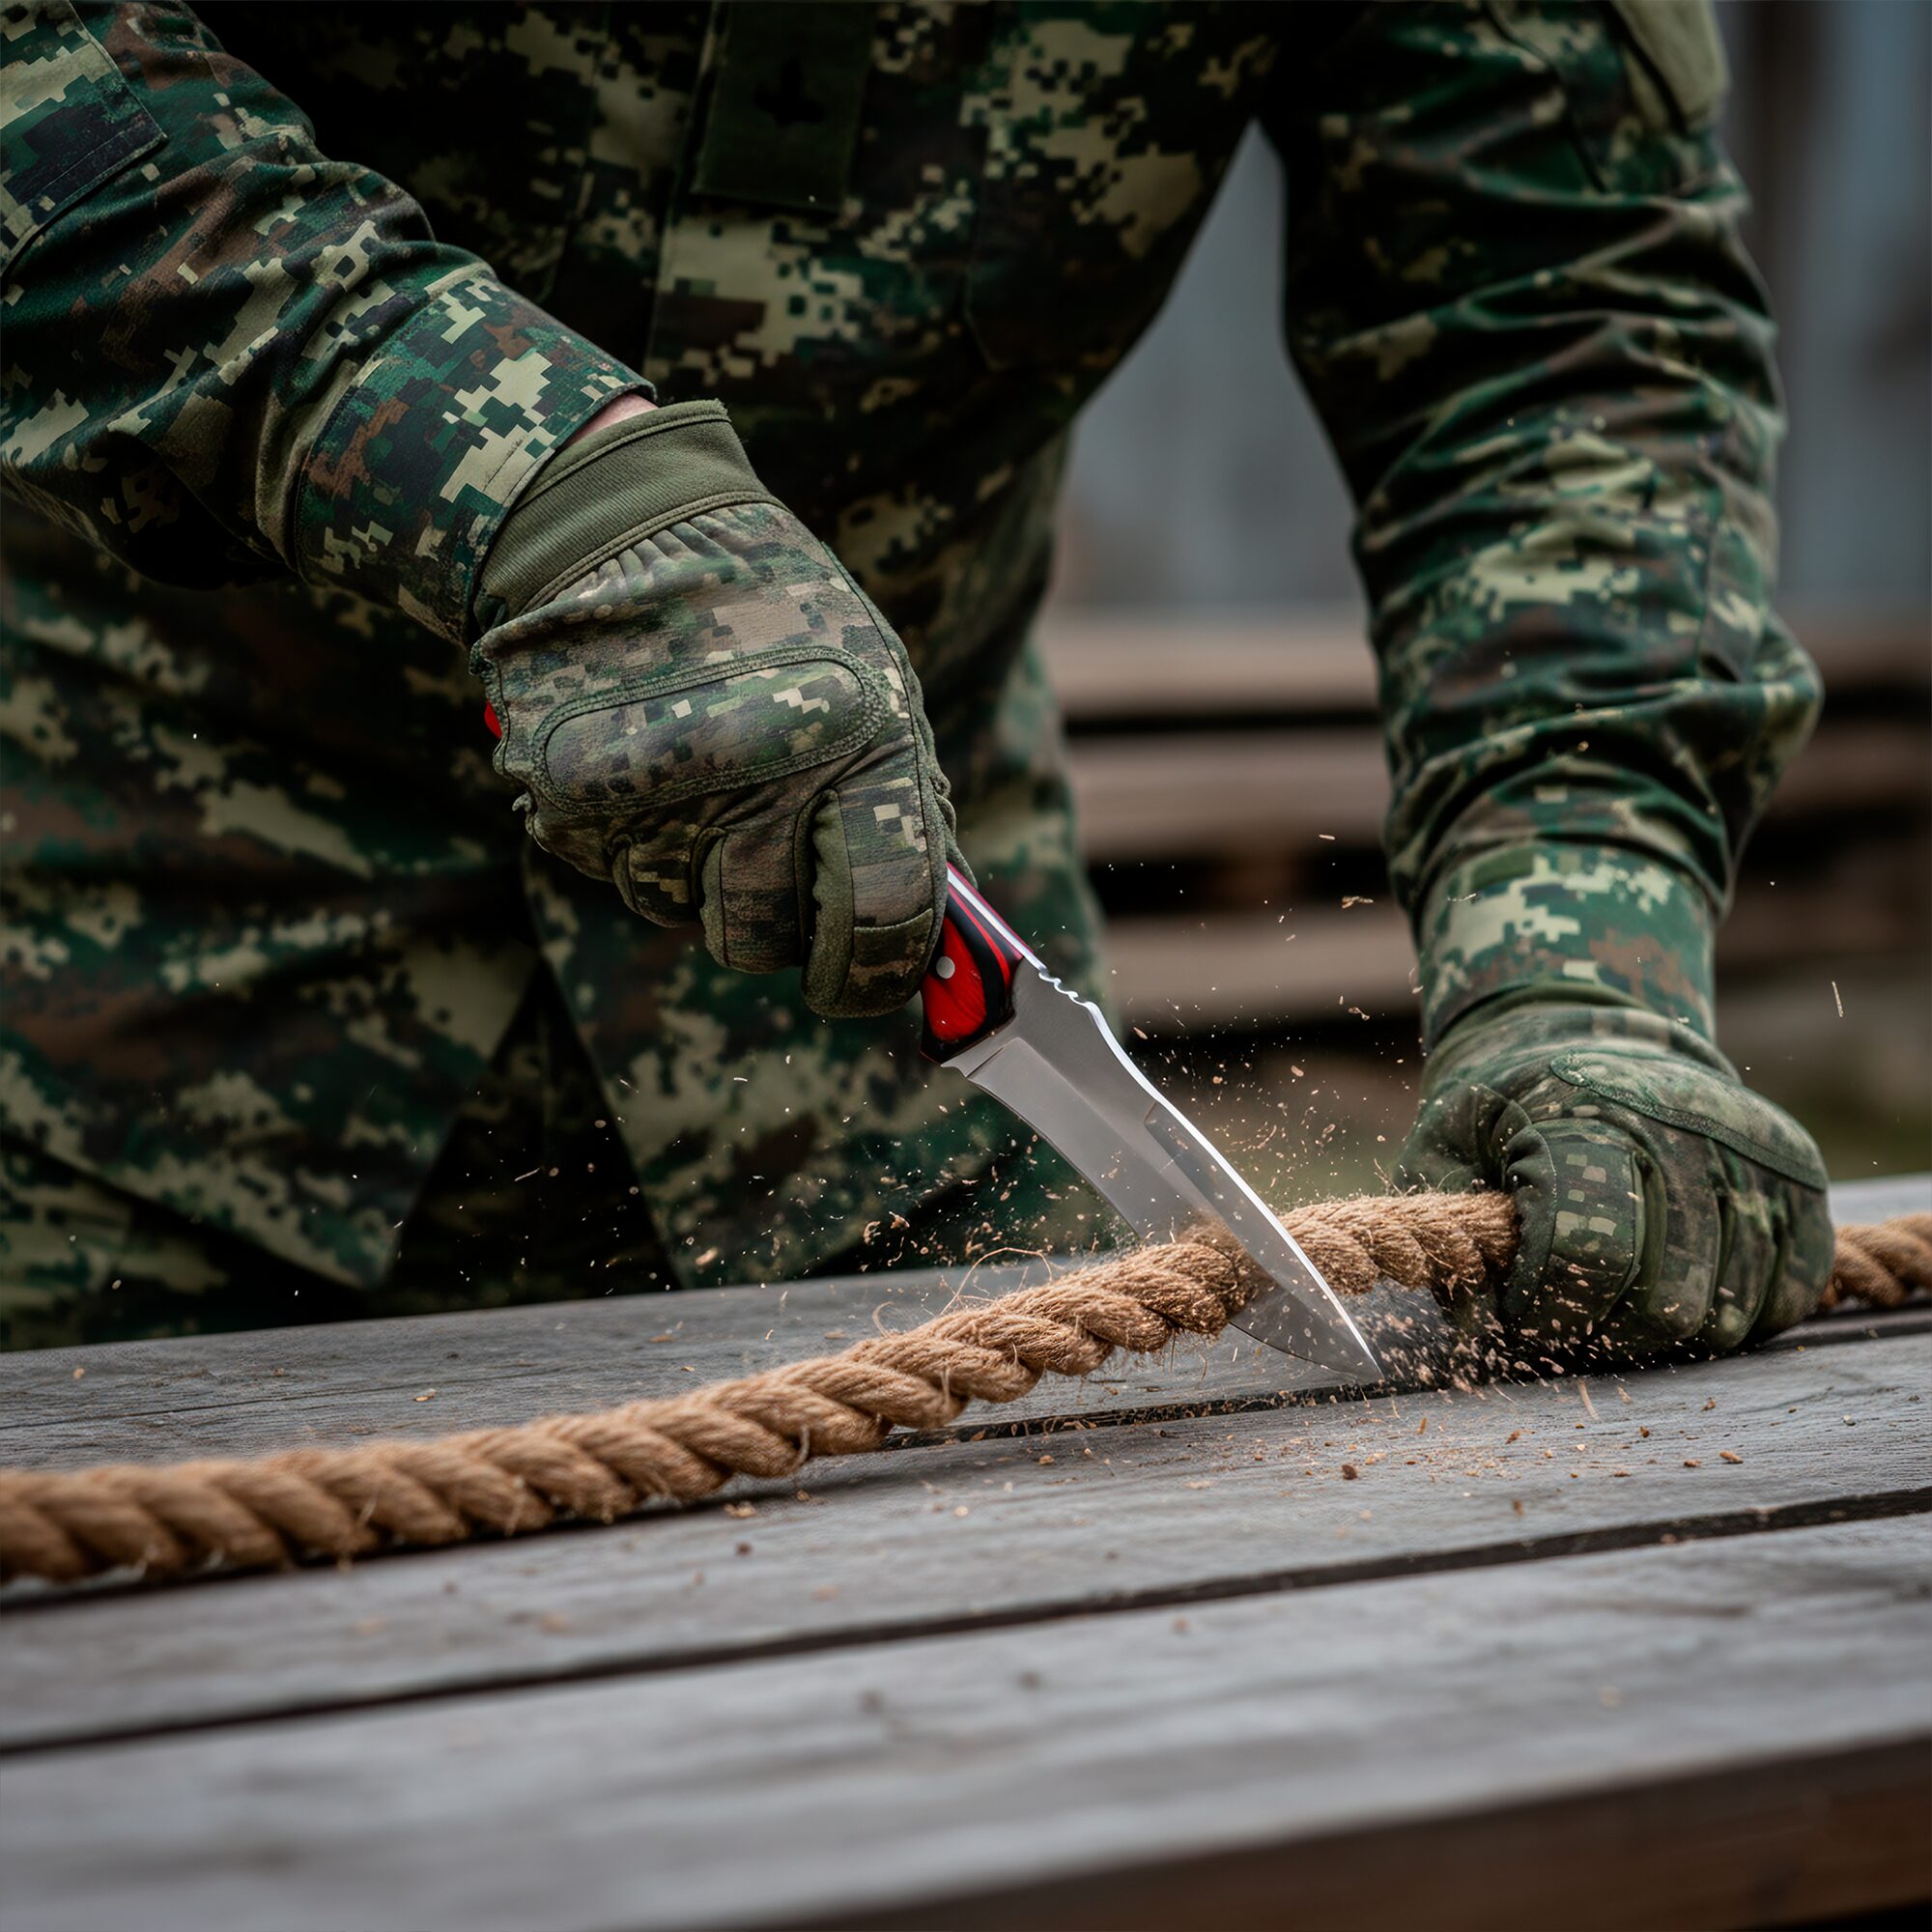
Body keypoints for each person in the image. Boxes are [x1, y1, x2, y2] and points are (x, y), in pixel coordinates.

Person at [0, 0, 1833, 1353]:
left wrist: (1579, 966)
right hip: (112, 1047)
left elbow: (1562, 319)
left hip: (907, 1089)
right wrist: (505, 481)